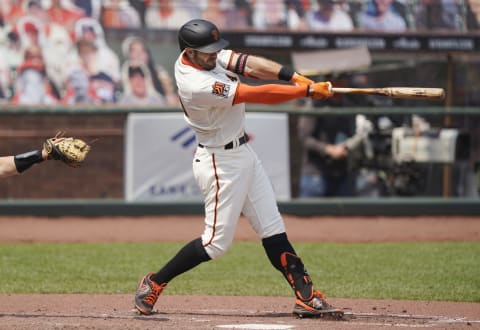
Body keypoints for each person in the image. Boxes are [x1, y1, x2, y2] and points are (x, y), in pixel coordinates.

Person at [134, 19, 344, 320]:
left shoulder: (204, 57)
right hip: (220, 163)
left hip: (242, 153)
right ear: (189, 52)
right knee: (215, 245)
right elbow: (254, 93)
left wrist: (295, 77)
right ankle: (153, 283)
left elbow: (248, 64)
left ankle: (306, 297)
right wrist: (305, 93)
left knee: (273, 227)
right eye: (207, 51)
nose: (214, 54)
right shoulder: (197, 84)